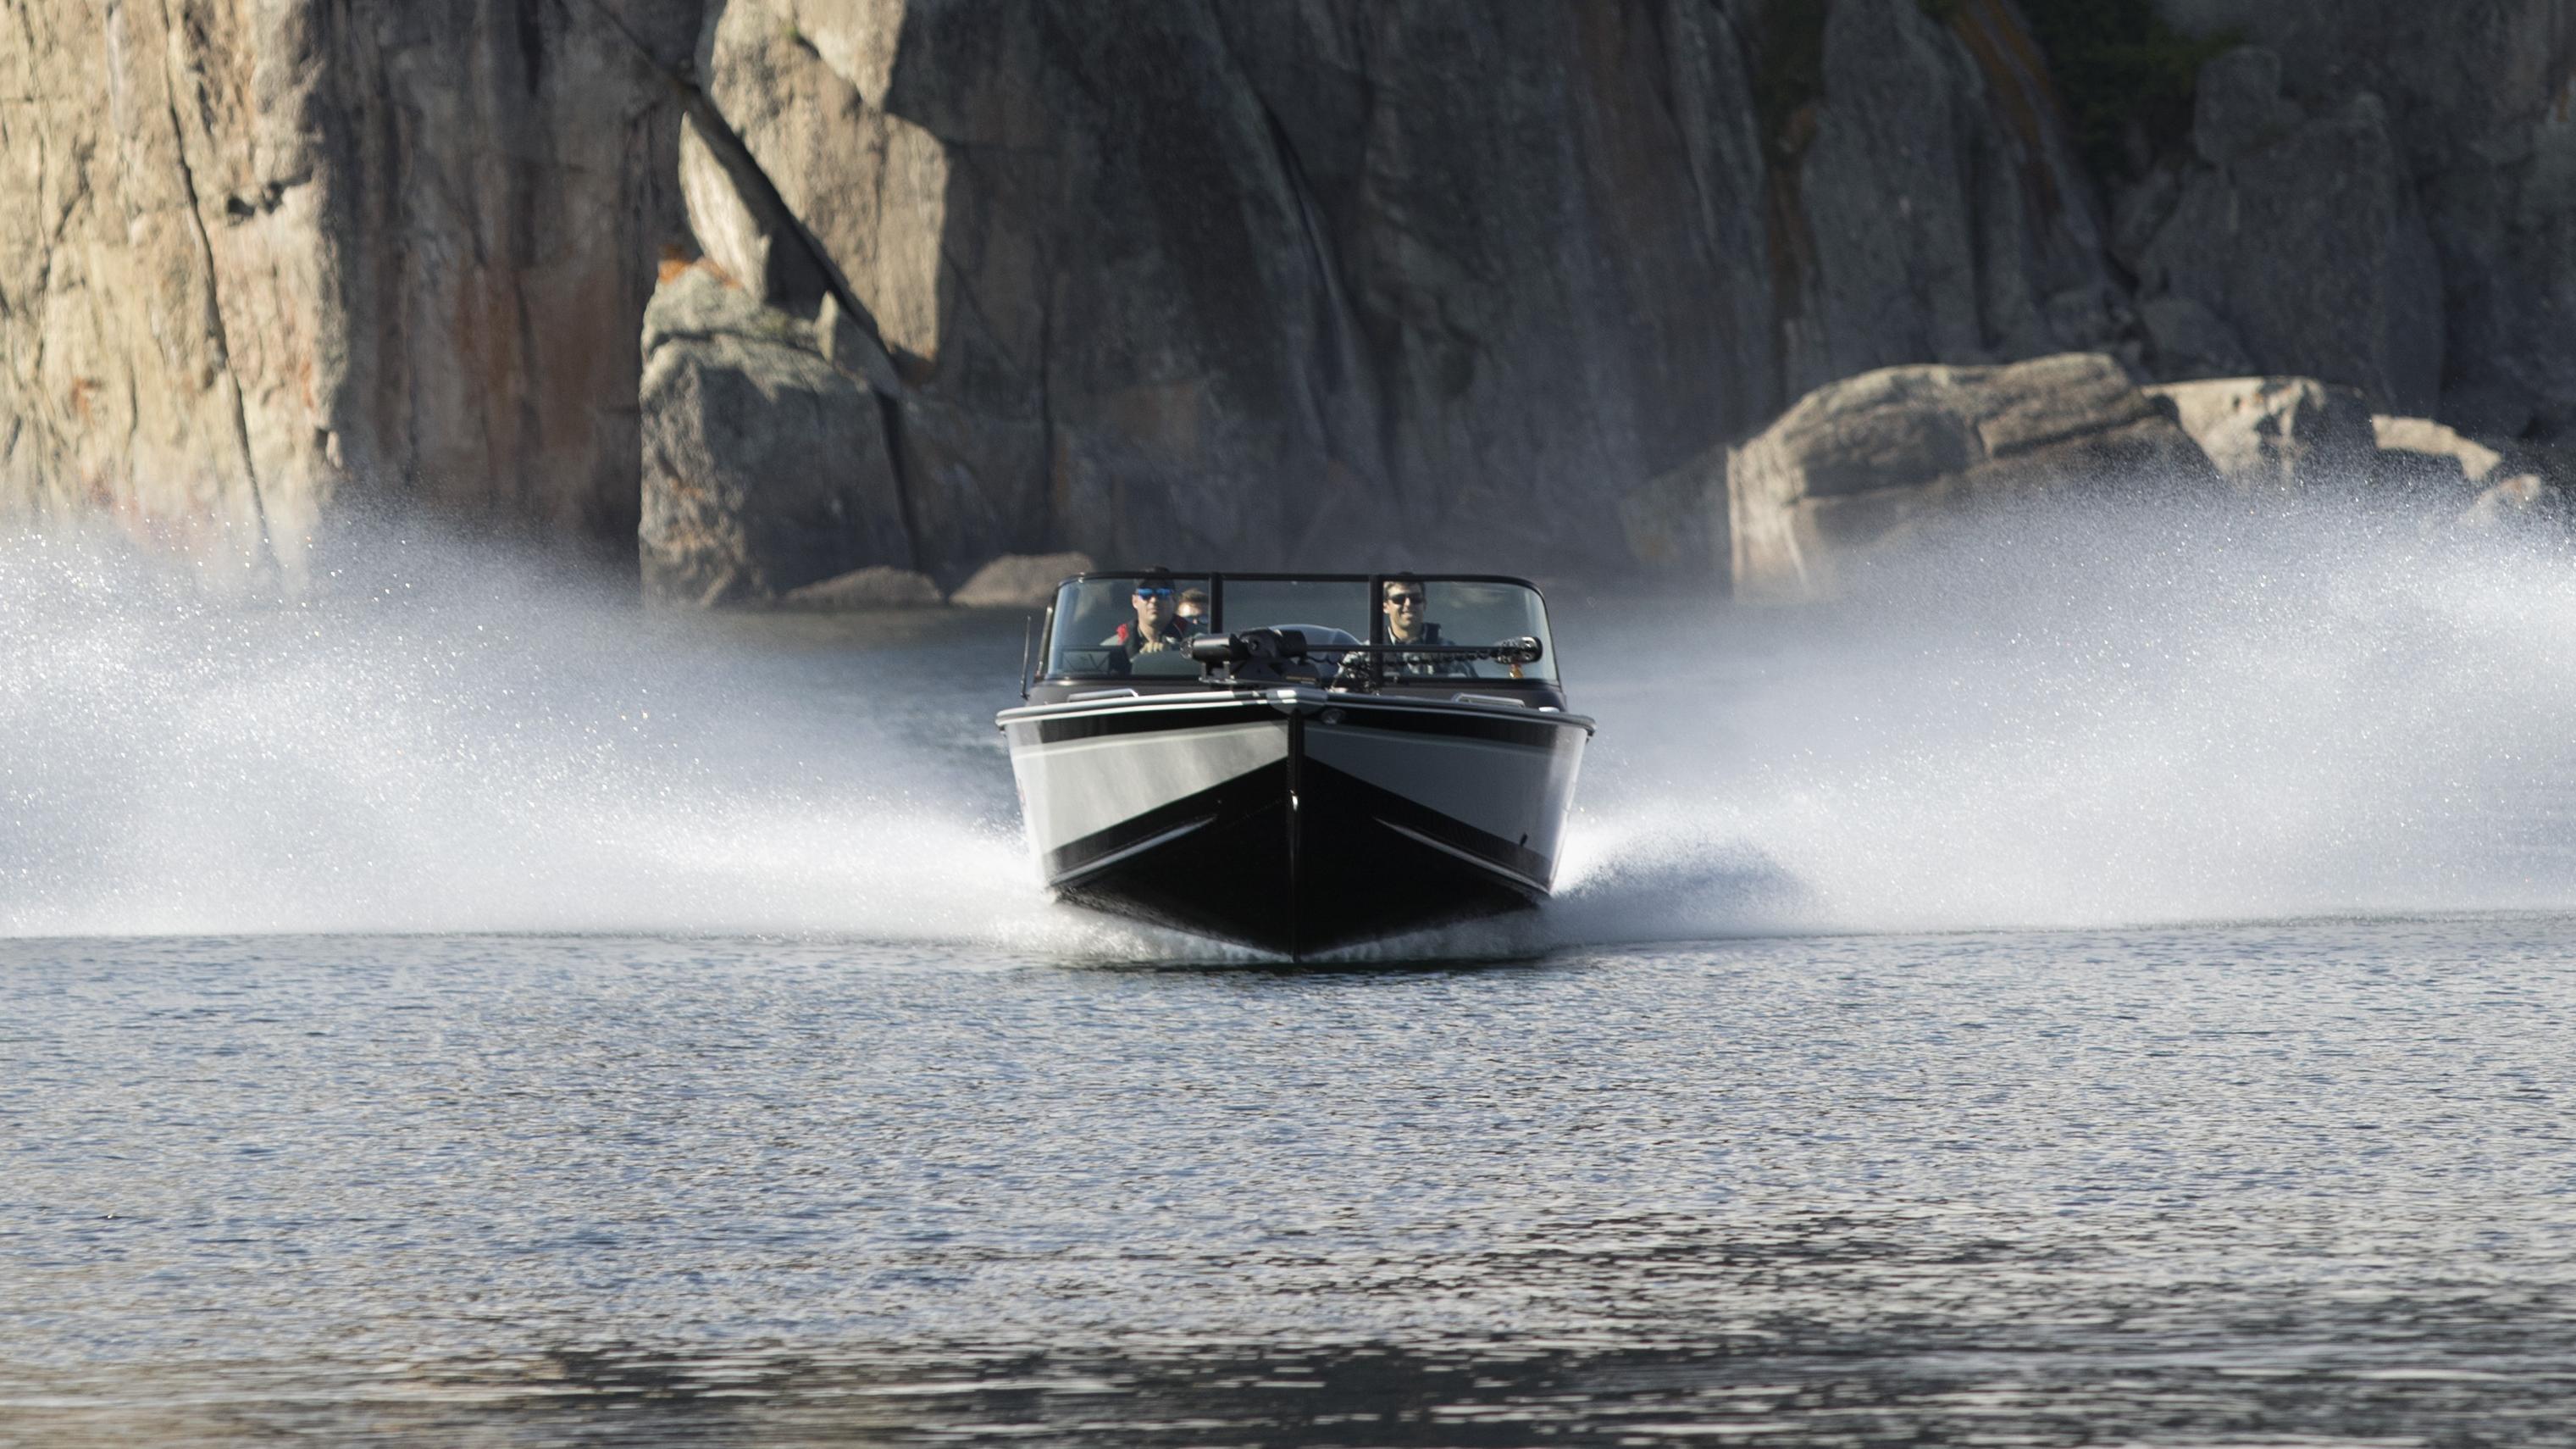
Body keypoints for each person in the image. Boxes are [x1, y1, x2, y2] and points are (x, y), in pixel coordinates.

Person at [1332, 578, 1474, 689]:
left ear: (1424, 604)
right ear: (1385, 606)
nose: (1408, 604)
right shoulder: (1364, 656)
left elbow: (1473, 697)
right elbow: (1340, 700)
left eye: (1416, 599)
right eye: (1399, 599)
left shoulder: (1450, 653)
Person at [1100, 576, 1192, 667]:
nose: (1154, 600)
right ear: (1135, 601)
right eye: (1145, 594)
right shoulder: (1111, 648)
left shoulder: (1199, 641)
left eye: (1162, 593)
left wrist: (1174, 655)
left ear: (1175, 600)